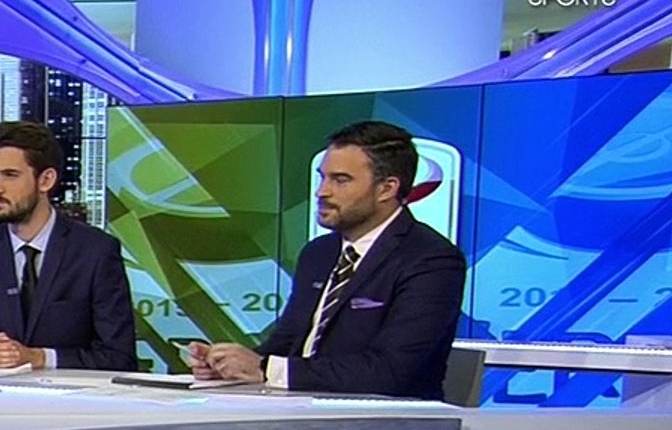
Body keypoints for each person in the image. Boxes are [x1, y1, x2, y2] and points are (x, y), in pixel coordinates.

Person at [185, 120, 466, 399]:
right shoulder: (318, 253)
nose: (322, 191)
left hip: (383, 420)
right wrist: (231, 366)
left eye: (340, 180)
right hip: (298, 409)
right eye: (323, 177)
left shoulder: (430, 260)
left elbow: (388, 372)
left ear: (387, 188)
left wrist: (266, 369)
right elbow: (286, 344)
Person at [0, 121, 134, 371]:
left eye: (10, 175)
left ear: (46, 180)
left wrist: (39, 358)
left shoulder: (95, 251)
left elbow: (119, 357)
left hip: (71, 396)